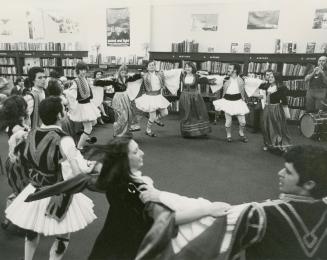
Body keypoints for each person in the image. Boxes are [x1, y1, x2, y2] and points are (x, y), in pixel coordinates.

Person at [136, 145, 327, 260]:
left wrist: (159, 196)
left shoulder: (261, 214)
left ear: (309, 184)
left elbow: (214, 214)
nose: (280, 173)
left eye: (288, 171)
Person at [5, 97, 97, 260]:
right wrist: (91, 167)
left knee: (32, 232)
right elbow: (77, 171)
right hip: (58, 192)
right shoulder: (64, 139)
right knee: (63, 236)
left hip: (34, 190)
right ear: (61, 114)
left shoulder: (30, 133)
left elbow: (19, 158)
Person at [0, 95, 30, 230]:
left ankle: (9, 218)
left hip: (15, 163)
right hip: (19, 164)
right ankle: (13, 219)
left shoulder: (14, 124)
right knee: (23, 191)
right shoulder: (18, 128)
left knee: (20, 191)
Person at [94, 65, 142, 137]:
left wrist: (141, 74)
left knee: (128, 115)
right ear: (119, 72)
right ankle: (117, 133)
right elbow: (105, 82)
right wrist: (96, 82)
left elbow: (135, 77)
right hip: (118, 99)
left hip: (125, 98)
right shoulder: (115, 80)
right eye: (122, 72)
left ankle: (126, 132)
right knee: (121, 116)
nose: (123, 73)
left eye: (125, 72)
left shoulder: (127, 78)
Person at [213, 63, 249, 143]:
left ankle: (241, 133)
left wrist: (244, 98)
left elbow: (246, 88)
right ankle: (228, 135)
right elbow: (215, 80)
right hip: (227, 101)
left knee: (243, 121)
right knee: (228, 121)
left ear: (235, 70)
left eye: (230, 68)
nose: (228, 69)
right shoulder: (225, 79)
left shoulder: (241, 80)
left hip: (238, 101)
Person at [68, 61, 100, 150]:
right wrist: (73, 106)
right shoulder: (76, 81)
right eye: (81, 70)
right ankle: (79, 147)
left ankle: (85, 137)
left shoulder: (85, 79)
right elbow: (71, 93)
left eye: (84, 70)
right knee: (88, 128)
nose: (83, 72)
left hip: (88, 104)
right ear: (78, 70)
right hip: (82, 106)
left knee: (94, 122)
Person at [135, 61, 170, 137]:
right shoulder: (144, 76)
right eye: (150, 65)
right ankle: (148, 130)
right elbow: (135, 82)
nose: (152, 66)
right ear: (147, 67)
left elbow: (169, 75)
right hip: (149, 97)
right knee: (152, 116)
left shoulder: (160, 74)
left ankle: (156, 119)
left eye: (153, 65)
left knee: (165, 113)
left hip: (158, 96)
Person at [179, 62, 213, 137]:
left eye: (189, 67)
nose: (187, 68)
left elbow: (207, 80)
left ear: (193, 68)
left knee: (197, 114)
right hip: (184, 97)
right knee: (186, 115)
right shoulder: (182, 76)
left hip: (195, 97)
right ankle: (187, 132)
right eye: (186, 67)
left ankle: (201, 131)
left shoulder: (196, 76)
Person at [260, 71, 291, 152]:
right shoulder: (267, 86)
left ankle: (281, 145)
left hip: (276, 109)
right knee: (266, 126)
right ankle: (268, 143)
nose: (270, 78)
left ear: (277, 78)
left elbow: (284, 101)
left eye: (272, 77)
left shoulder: (280, 88)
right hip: (267, 109)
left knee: (277, 127)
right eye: (269, 77)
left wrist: (286, 113)